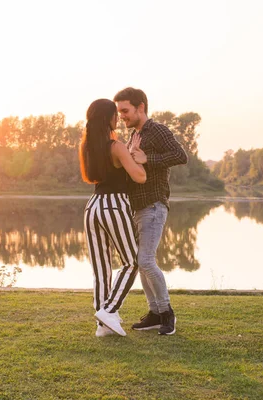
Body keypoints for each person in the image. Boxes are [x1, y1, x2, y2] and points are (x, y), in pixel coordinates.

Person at [114, 87, 188, 335]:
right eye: (119, 112)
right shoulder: (134, 135)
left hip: (154, 204)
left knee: (145, 260)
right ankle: (155, 313)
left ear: (141, 107)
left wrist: (149, 159)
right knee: (141, 262)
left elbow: (180, 155)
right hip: (138, 207)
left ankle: (167, 313)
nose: (121, 115)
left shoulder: (157, 130)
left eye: (125, 110)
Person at [79, 98, 147, 337]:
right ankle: (108, 310)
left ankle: (102, 325)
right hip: (114, 206)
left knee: (101, 269)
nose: (118, 118)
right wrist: (138, 156)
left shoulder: (87, 147)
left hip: (93, 207)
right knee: (131, 262)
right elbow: (139, 177)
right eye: (114, 115)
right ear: (108, 118)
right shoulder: (115, 146)